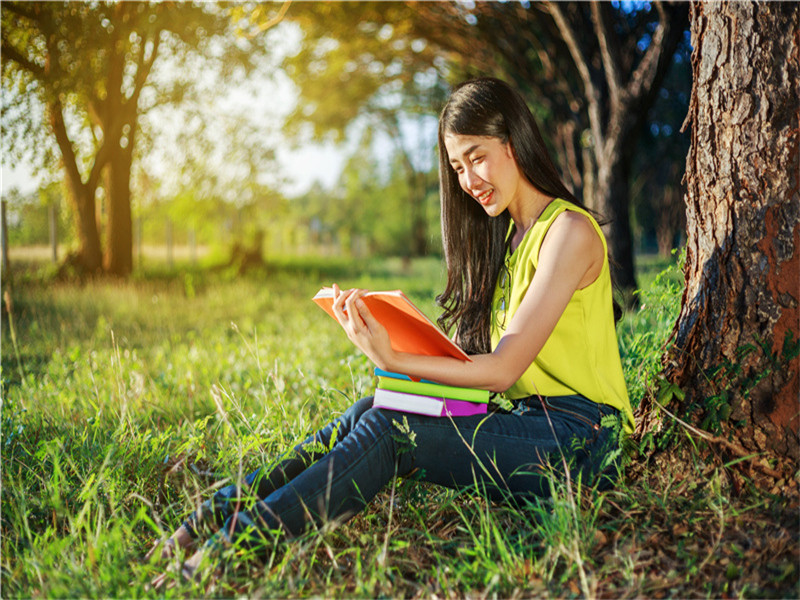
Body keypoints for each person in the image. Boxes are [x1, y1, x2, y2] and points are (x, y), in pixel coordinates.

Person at [147, 77, 634, 585]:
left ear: (514, 144)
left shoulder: (569, 233)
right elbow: (490, 372)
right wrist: (402, 348)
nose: (469, 179)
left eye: (477, 157)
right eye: (457, 167)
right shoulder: (511, 240)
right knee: (375, 409)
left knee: (393, 432)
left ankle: (230, 550)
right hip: (526, 420)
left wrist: (393, 360)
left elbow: (504, 368)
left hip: (582, 442)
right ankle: (204, 522)